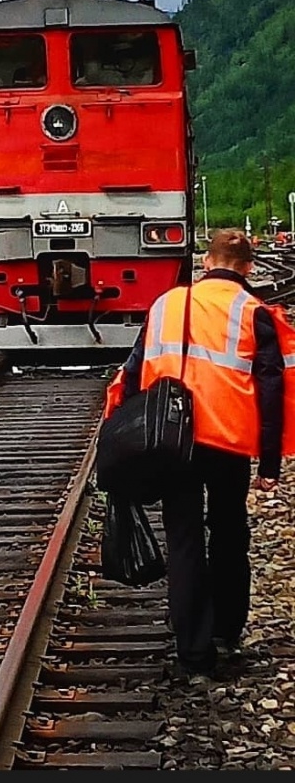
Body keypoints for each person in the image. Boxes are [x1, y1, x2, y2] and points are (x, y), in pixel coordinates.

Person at [111, 227, 283, 680]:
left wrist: (125, 442)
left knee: (184, 537)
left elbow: (132, 373)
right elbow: (271, 390)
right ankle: (228, 628)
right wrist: (269, 463)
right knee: (228, 531)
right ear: (247, 268)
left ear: (206, 263)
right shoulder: (253, 311)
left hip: (170, 441)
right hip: (226, 442)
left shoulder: (164, 304)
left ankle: (193, 649)